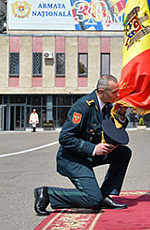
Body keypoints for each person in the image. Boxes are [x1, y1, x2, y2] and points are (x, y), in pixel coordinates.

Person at [33, 75, 131, 215]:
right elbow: (65, 138)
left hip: (89, 156)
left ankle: (105, 195)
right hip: (73, 158)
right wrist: (94, 149)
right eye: (114, 92)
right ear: (102, 91)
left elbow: (116, 132)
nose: (118, 95)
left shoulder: (109, 107)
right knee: (92, 200)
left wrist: (121, 114)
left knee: (123, 152)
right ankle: (48, 193)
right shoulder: (83, 106)